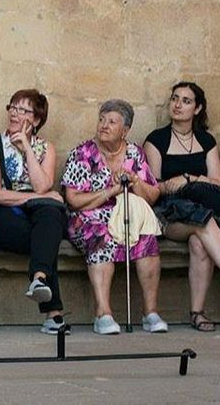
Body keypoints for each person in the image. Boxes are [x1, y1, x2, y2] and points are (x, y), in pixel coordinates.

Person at [143, 82, 220, 331]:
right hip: (169, 215)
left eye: (186, 101)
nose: (178, 105)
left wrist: (187, 179)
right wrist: (170, 184)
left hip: (200, 212)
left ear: (197, 108)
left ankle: (197, 313)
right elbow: (154, 187)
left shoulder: (206, 140)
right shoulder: (156, 140)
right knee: (204, 223)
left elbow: (218, 182)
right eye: (175, 98)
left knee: (199, 242)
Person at [62, 99, 165, 335]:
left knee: (147, 238)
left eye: (111, 121)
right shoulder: (83, 153)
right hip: (87, 219)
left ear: (125, 130)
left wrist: (135, 181)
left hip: (125, 217)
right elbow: (74, 199)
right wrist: (110, 191)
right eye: (101, 119)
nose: (104, 125)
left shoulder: (134, 154)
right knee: (102, 237)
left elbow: (152, 195)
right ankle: (103, 313)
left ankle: (151, 313)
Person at [0, 89, 67, 334]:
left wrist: (26, 147)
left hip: (34, 213)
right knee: (46, 238)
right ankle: (53, 313)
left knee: (50, 215)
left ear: (36, 120)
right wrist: (41, 197)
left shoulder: (45, 148)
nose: (15, 113)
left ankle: (39, 278)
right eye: (12, 107)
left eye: (23, 110)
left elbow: (41, 184)